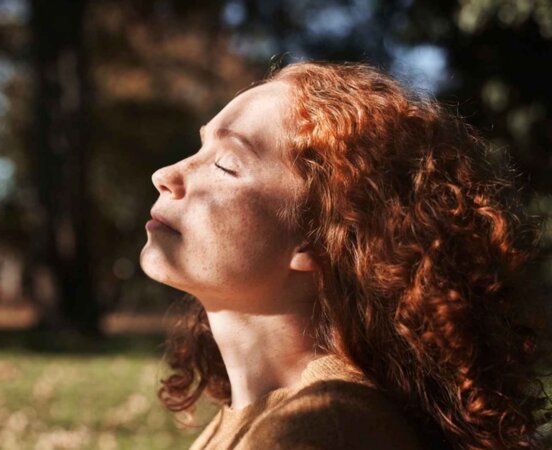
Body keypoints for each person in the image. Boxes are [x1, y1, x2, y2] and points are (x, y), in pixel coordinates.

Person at [139, 61, 551, 450]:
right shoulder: (262, 418)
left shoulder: (320, 427)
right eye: (200, 147)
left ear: (316, 241)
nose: (166, 175)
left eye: (226, 164)